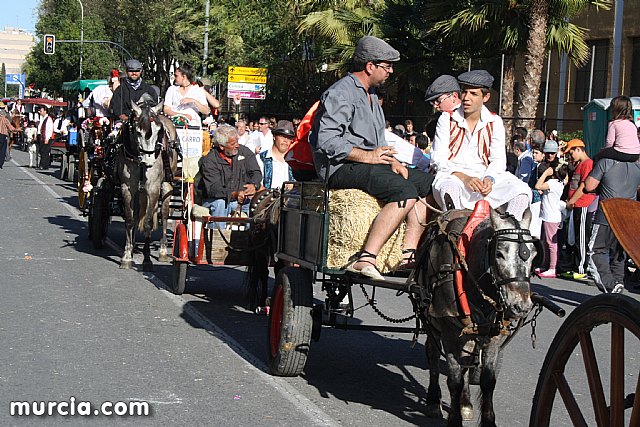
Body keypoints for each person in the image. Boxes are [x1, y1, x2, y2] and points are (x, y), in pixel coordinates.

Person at [310, 35, 434, 280]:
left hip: (368, 164)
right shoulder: (341, 93)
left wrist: (393, 161)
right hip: (339, 168)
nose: (391, 71)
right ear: (370, 66)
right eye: (387, 66)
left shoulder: (372, 95)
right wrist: (368, 156)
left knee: (429, 184)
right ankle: (365, 258)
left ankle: (406, 255)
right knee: (404, 191)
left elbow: (377, 143)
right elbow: (326, 141)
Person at [431, 70, 531, 219]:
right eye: (464, 92)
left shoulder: (495, 122)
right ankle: (457, 230)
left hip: (484, 179)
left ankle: (508, 229)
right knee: (449, 189)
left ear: (486, 97)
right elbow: (438, 160)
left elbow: (498, 161)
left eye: (473, 94)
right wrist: (465, 178)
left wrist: (489, 179)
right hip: (453, 177)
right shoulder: (447, 118)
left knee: (522, 192)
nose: (466, 98)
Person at [585, 153, 640, 293]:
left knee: (595, 251)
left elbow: (589, 186)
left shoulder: (606, 162)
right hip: (626, 216)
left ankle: (610, 285)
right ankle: (617, 285)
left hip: (607, 214)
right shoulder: (637, 165)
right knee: (619, 254)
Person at [199, 124, 262, 229]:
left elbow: (256, 172)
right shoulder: (210, 161)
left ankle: (252, 235)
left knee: (257, 204)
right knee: (220, 204)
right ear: (221, 146)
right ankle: (217, 237)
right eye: (233, 144)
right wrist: (234, 194)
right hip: (216, 199)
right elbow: (214, 189)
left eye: (237, 141)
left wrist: (254, 185)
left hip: (243, 199)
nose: (237, 145)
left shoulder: (245, 152)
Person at [562, 139, 597, 280]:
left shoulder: (587, 164)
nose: (571, 156)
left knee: (582, 237)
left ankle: (582, 267)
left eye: (571, 153)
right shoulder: (580, 164)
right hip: (577, 204)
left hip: (583, 204)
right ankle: (576, 265)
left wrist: (572, 200)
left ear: (578, 149)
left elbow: (583, 186)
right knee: (576, 236)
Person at [535, 164, 569, 278]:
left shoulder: (552, 183)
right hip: (551, 215)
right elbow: (566, 178)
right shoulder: (561, 182)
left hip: (550, 216)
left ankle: (552, 268)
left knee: (551, 243)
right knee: (546, 242)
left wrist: (545, 174)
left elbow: (537, 186)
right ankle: (546, 264)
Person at [593, 95, 640, 163]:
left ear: (614, 110)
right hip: (636, 154)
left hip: (622, 152)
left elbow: (610, 142)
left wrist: (605, 150)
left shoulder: (613, 123)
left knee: (597, 157)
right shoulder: (632, 123)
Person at [258, 120, 294, 189]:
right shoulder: (261, 159)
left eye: (289, 138)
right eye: (282, 136)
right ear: (274, 137)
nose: (285, 140)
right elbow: (256, 186)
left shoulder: (292, 162)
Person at [37, 105, 54, 170]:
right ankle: (43, 164)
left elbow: (49, 129)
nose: (40, 112)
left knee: (45, 151)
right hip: (41, 136)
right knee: (42, 151)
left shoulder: (48, 119)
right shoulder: (42, 118)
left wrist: (47, 138)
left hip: (46, 137)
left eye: (41, 111)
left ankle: (44, 165)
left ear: (45, 111)